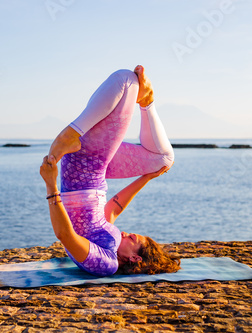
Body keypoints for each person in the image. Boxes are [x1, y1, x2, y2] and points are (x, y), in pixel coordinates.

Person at [39, 65, 180, 277]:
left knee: (126, 80)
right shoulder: (107, 240)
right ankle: (146, 101)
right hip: (93, 170)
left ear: (135, 258)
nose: (128, 234)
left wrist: (50, 185)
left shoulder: (107, 263)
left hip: (84, 170)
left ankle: (72, 133)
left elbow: (65, 235)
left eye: (133, 239)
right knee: (163, 161)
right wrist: (147, 177)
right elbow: (114, 208)